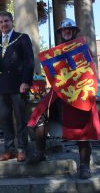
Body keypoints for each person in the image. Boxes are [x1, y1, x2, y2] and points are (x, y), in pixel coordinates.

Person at [27, 18, 100, 179]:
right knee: (38, 116)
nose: (66, 32)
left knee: (83, 128)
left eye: (69, 30)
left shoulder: (82, 48)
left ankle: (84, 165)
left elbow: (89, 70)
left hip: (80, 92)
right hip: (60, 91)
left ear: (74, 31)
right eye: (63, 30)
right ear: (60, 33)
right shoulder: (56, 52)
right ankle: (40, 152)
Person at [0, 11, 34, 162]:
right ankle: (9, 150)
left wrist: (26, 82)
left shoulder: (22, 38)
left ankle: (22, 149)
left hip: (18, 85)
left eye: (6, 21)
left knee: (20, 119)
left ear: (11, 21)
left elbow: (29, 61)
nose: (3, 24)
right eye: (0, 22)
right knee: (5, 119)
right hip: (1, 86)